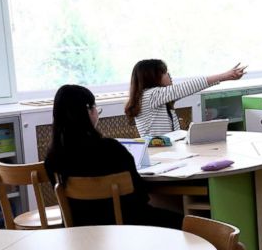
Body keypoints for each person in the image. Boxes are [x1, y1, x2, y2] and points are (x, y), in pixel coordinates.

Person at [45, 84, 183, 228]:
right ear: (89, 111)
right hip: (129, 227)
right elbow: (140, 196)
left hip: (80, 231)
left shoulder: (53, 158)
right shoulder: (112, 149)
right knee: (186, 221)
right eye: (95, 108)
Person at [125, 59, 246, 137]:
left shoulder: (159, 98)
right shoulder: (150, 96)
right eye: (165, 72)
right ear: (152, 77)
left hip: (168, 151)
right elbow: (186, 88)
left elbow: (174, 136)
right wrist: (224, 76)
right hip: (158, 154)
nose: (169, 75)